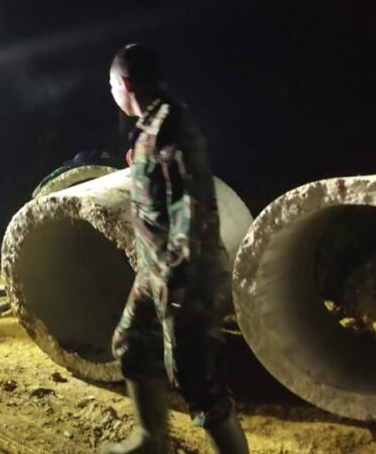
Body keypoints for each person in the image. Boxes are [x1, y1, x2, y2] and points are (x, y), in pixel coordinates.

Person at [101, 44, 249, 454]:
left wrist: (183, 284)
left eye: (112, 85)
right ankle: (151, 439)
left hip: (184, 276)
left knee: (197, 381)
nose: (112, 92)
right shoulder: (152, 126)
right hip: (156, 272)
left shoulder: (171, 125)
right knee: (132, 341)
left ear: (125, 83)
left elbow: (191, 206)